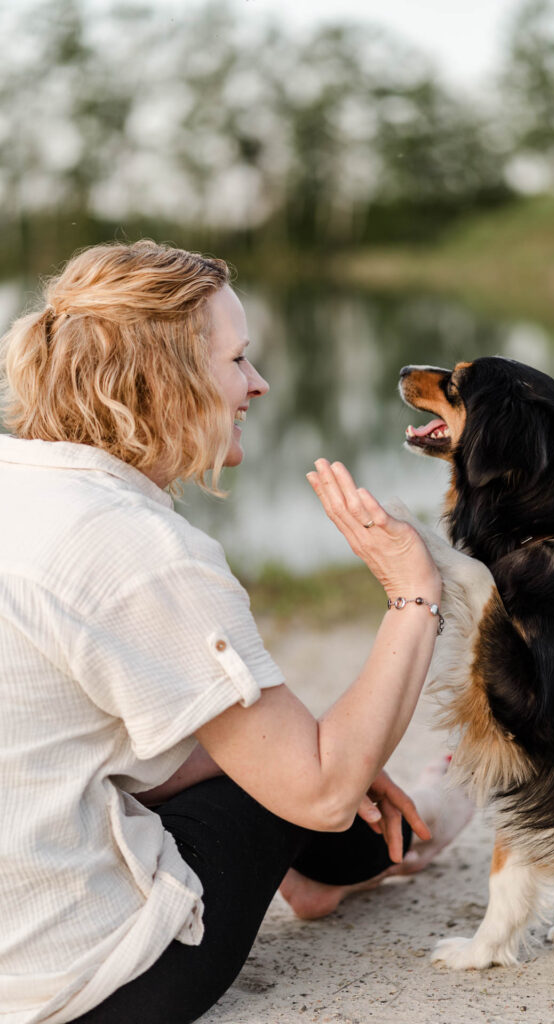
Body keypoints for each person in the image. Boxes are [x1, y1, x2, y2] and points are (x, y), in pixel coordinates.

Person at [0, 240, 473, 1024]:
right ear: (163, 377)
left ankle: (338, 861)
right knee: (295, 781)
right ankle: (391, 843)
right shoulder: (140, 549)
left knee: (254, 752)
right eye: (237, 360)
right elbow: (317, 792)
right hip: (74, 981)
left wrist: (287, 757)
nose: (256, 384)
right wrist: (412, 591)